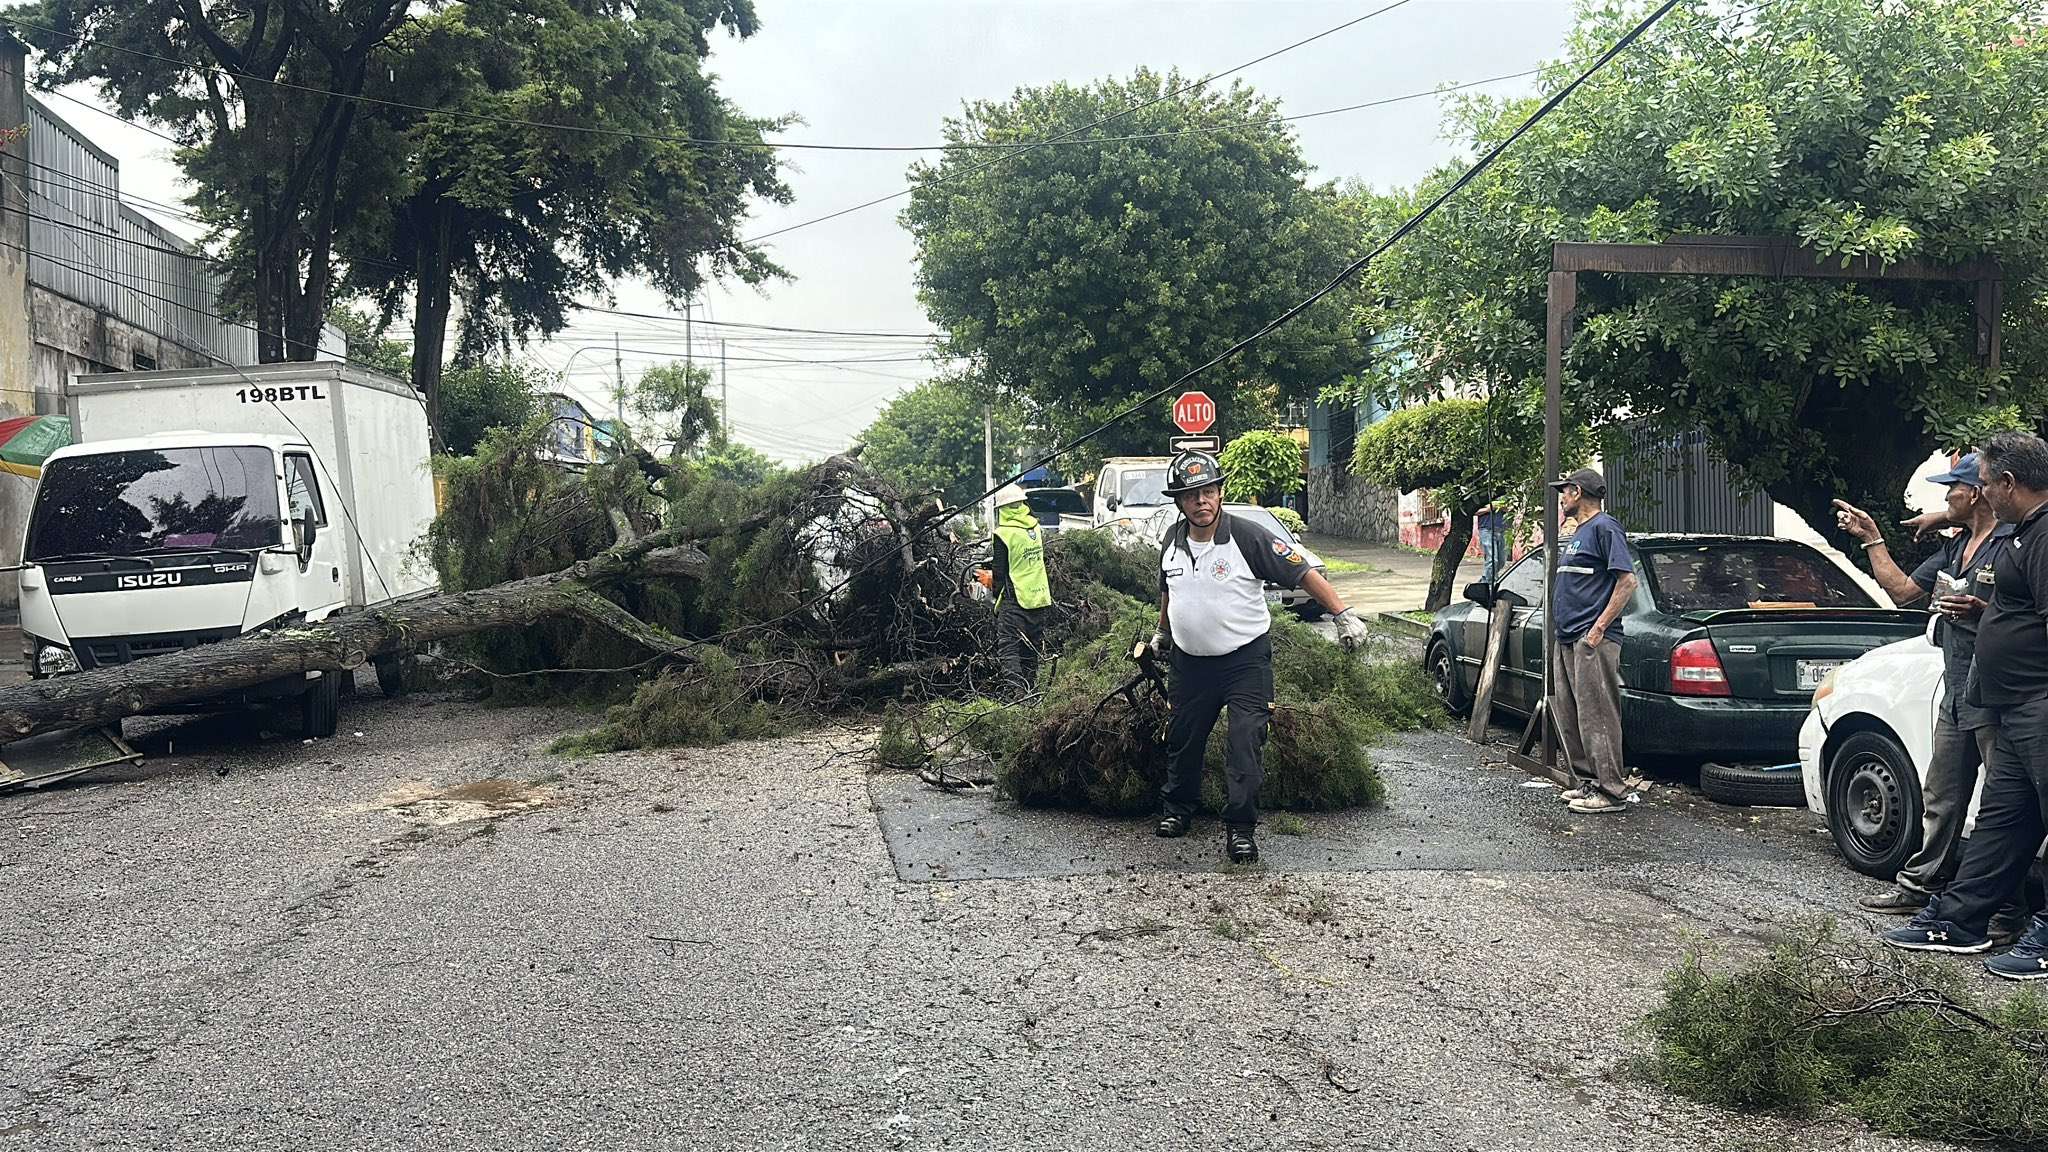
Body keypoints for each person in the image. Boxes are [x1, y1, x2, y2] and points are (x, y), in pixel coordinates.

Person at [1149, 450, 1369, 863]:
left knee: (1245, 742)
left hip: (1244, 662)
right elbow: (1168, 589)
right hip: (1189, 664)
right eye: (1191, 495)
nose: (1201, 502)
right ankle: (1177, 810)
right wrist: (1162, 631)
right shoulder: (1172, 540)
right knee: (1182, 739)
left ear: (1220, 492)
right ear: (1179, 501)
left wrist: (1343, 614)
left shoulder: (1248, 537)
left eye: (1208, 492)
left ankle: (1240, 830)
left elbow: (1302, 572)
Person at [1883, 432, 2048, 979]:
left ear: (2008, 483)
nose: (1983, 494)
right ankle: (1960, 921)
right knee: (2002, 820)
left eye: (1986, 483)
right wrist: (1985, 612)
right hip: (2012, 706)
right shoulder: (2024, 532)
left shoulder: (2045, 536)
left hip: (2039, 704)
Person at [1835, 455, 2022, 925]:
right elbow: (1902, 592)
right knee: (1941, 796)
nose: (1945, 496)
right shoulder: (1956, 547)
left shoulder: (2014, 542)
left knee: (2005, 808)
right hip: (1958, 695)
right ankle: (1923, 884)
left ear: (1975, 492)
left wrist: (1983, 612)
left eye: (1950, 489)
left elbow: (2027, 614)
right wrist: (1872, 538)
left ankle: (2007, 906)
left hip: (1998, 698)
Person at [1547, 467, 1639, 815]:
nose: (1561, 498)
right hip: (1568, 636)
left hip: (1592, 640)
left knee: (1597, 715)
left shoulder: (1605, 527)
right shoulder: (1578, 532)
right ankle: (1588, 782)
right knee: (1572, 715)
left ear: (1578, 492)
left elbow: (1627, 581)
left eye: (1565, 491)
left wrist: (1598, 629)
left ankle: (1611, 791)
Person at [988, 484, 1052, 698]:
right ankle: (1030, 690)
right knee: (1031, 648)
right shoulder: (1035, 528)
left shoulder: (1003, 534)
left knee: (1009, 647)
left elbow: (999, 572)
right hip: (1039, 597)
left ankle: (1016, 693)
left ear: (1003, 509)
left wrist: (995, 598)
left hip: (1017, 598)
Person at [1478, 504, 1509, 584]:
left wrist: (1503, 507)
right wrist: (1488, 509)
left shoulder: (1504, 497)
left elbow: (1512, 508)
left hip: (1503, 530)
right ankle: (1490, 583)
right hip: (1486, 529)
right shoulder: (1482, 497)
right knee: (1492, 560)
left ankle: (1484, 580)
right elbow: (1474, 512)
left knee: (1501, 561)